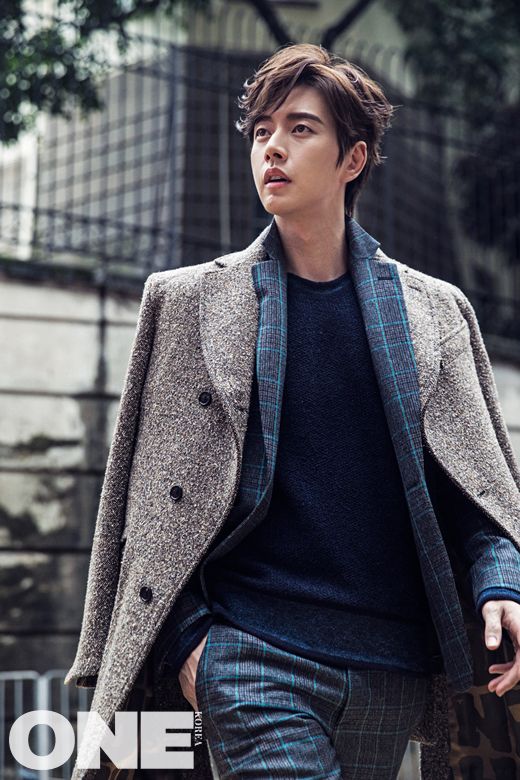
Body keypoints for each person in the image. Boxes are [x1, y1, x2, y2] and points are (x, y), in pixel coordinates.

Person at [66, 44, 520, 780]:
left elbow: (482, 495)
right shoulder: (188, 303)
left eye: (300, 128)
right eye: (261, 131)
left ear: (353, 159)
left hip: (392, 670)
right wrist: (190, 643)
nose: (272, 147)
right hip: (252, 655)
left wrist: (502, 585)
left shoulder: (436, 313)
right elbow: (144, 504)